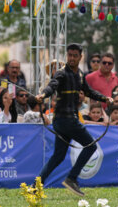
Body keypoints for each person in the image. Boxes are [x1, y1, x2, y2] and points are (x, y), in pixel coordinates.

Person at [35, 43, 113, 197]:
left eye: (74, 55)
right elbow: (52, 85)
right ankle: (71, 178)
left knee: (58, 156)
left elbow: (89, 91)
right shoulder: (61, 73)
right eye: (69, 55)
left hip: (62, 122)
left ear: (80, 57)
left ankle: (35, 187)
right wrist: (43, 95)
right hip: (67, 121)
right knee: (91, 147)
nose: (71, 58)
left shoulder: (80, 75)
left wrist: (105, 98)